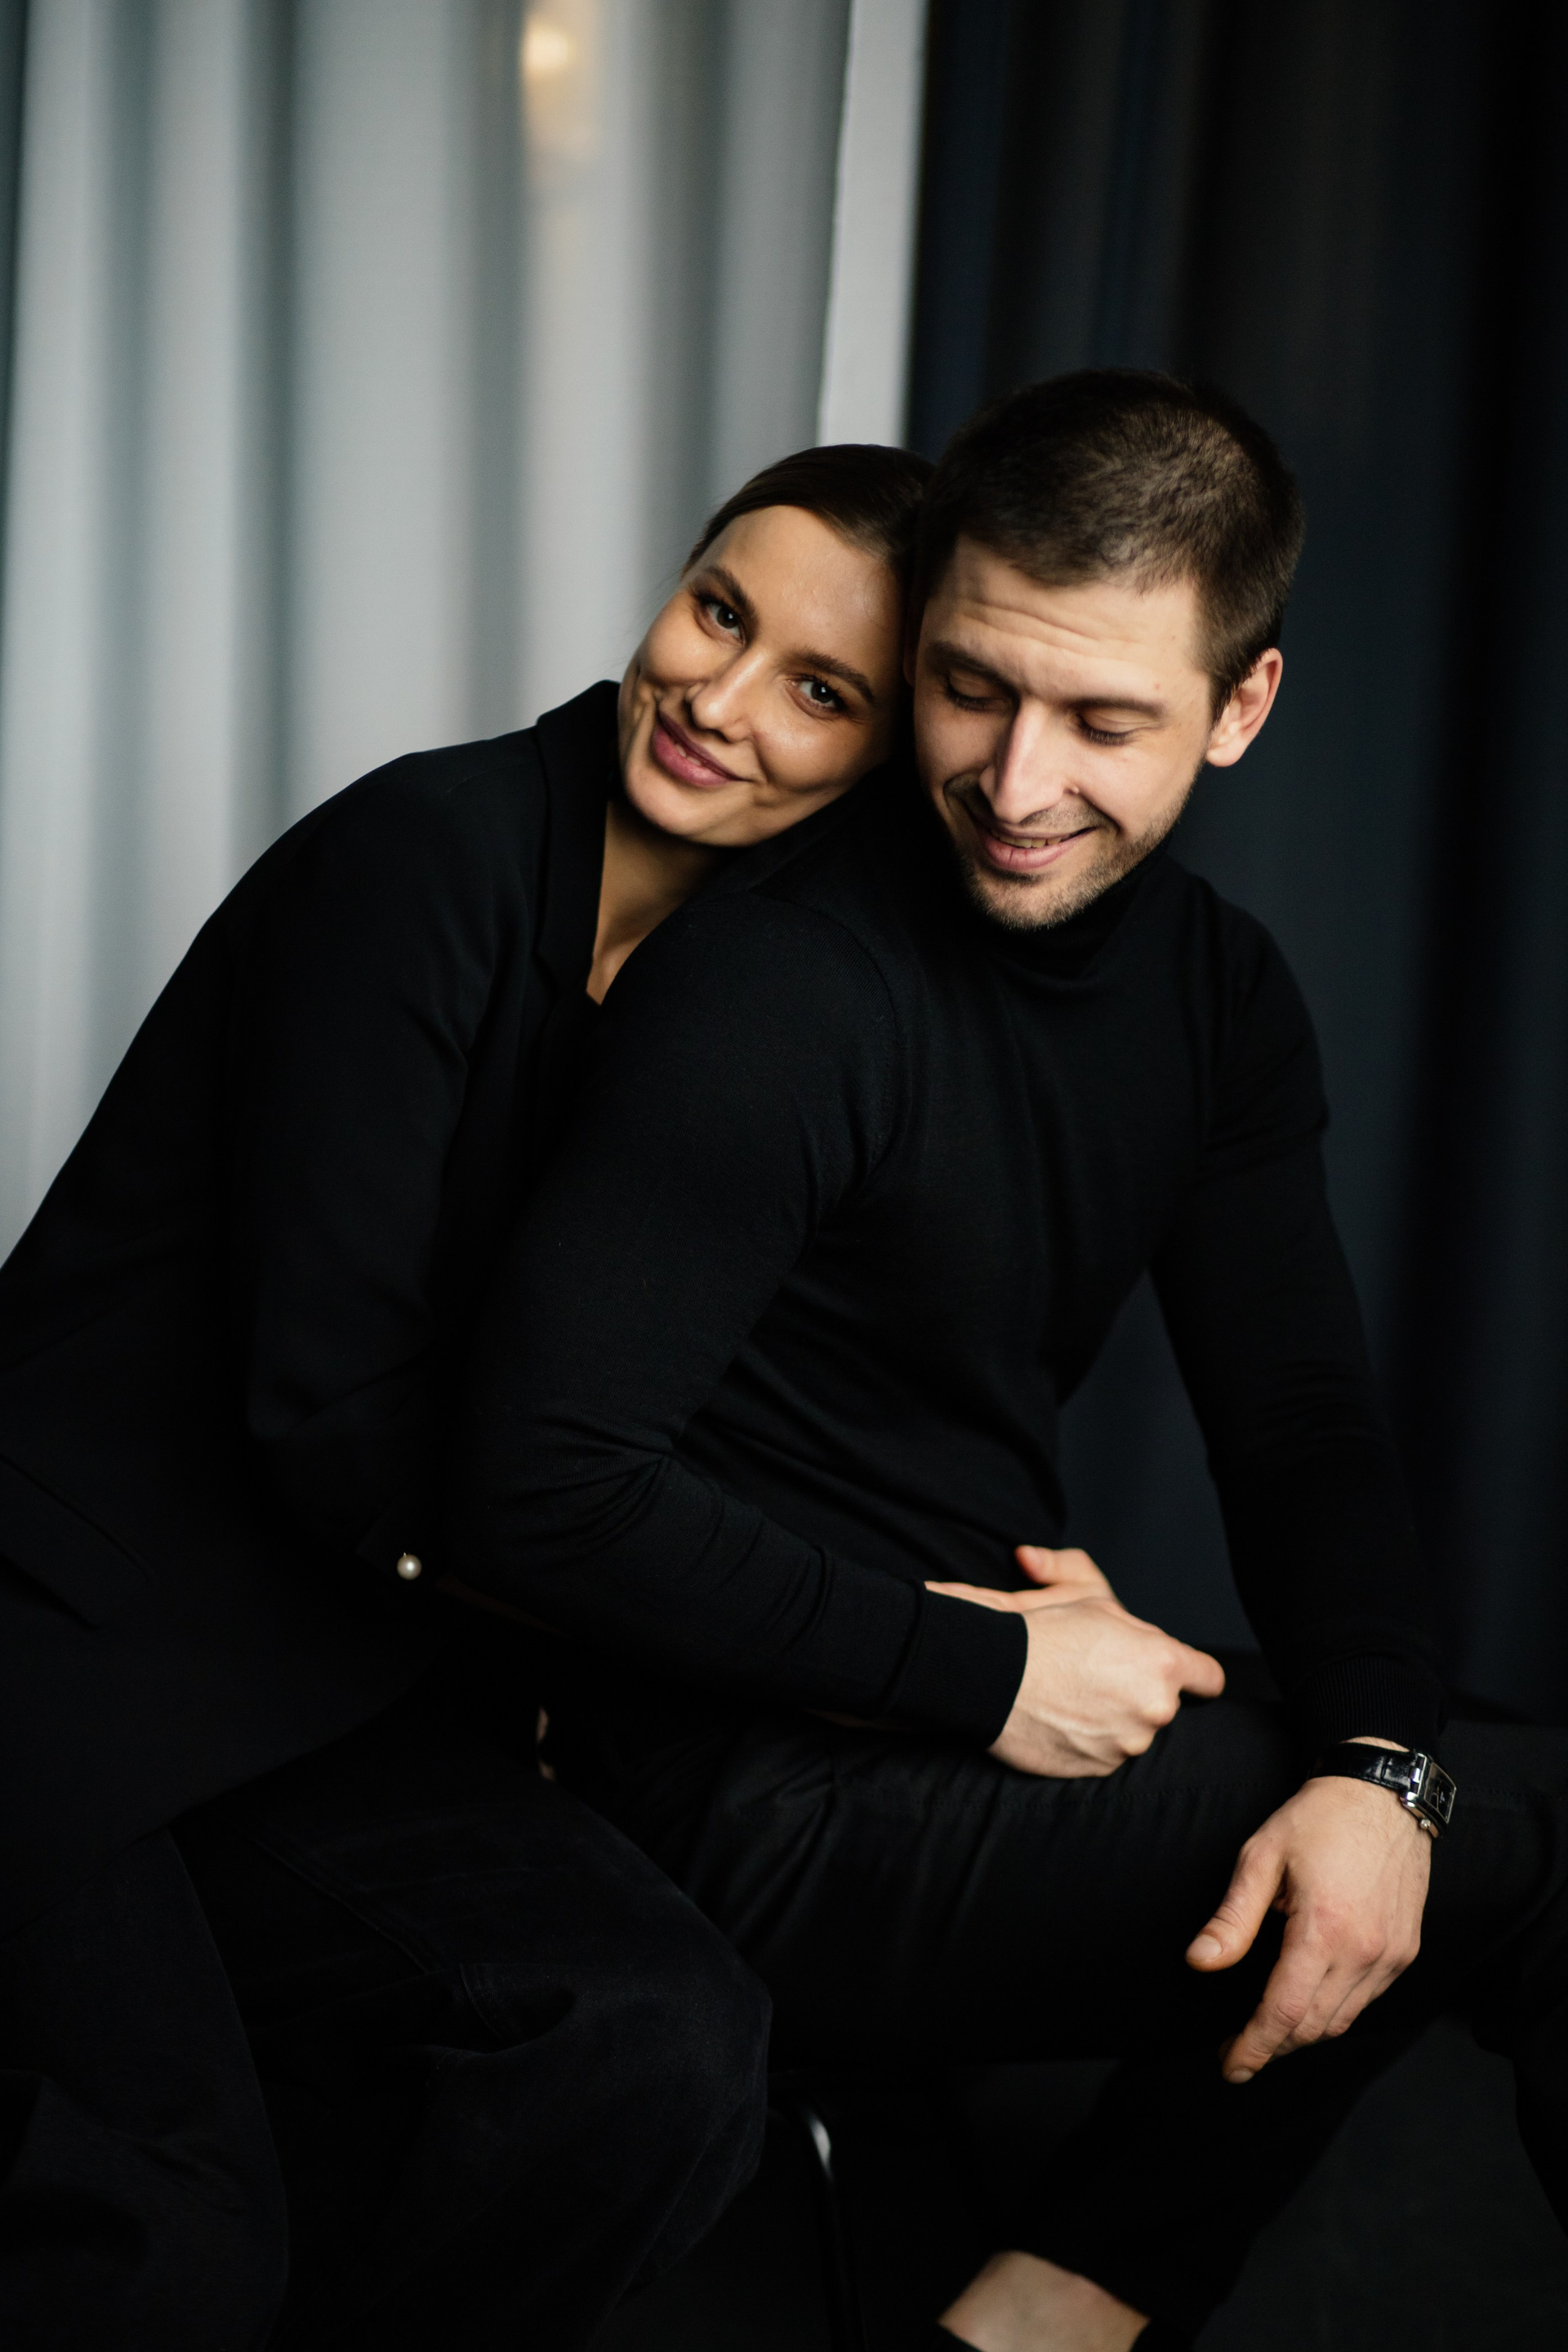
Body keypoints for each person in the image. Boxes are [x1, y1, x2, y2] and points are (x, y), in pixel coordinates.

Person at [446, 372, 1568, 2352]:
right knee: (1537, 1836)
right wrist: (985, 1671)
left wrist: (1376, 1771)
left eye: (1103, 721)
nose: (1015, 779)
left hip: (967, 1726)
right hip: (738, 1789)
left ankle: (1052, 2304)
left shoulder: (1216, 995)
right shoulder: (784, 980)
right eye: (970, 689)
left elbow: (1304, 1430)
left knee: (1427, 1792)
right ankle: (1065, 2312)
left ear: (1243, 705)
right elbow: (530, 1489)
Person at [0, 441, 927, 2349]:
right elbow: (332, 1416)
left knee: (661, 2051)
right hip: (70, 1641)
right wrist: (829, 1640)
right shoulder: (430, 850)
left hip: (334, 1691)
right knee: (175, 2222)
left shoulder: (764, 990)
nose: (722, 699)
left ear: (884, 756)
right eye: (720, 612)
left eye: (819, 691)